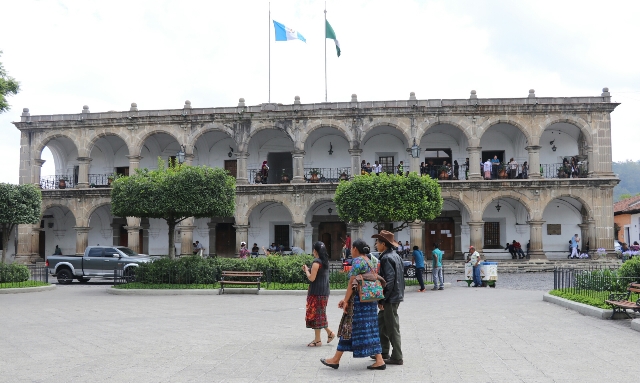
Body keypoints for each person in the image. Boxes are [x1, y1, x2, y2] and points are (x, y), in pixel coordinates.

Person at [320, 239, 386, 370]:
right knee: (369, 329)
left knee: (349, 327)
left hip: (359, 302)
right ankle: (379, 360)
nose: (350, 250)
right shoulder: (371, 260)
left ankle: (335, 359)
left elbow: (351, 282)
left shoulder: (357, 261)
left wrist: (345, 300)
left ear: (355, 248)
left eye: (351, 248)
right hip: (370, 300)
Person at [372, 230, 404, 365]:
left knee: (392, 327)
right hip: (394, 295)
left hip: (390, 298)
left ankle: (397, 356)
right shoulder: (395, 255)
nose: (375, 245)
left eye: (377, 242)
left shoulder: (386, 258)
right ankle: (383, 351)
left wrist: (382, 299)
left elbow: (389, 280)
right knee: (381, 324)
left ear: (383, 244)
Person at [303, 241, 335, 347]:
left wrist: (306, 271)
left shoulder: (316, 262)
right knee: (320, 314)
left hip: (316, 292)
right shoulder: (325, 261)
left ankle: (318, 340)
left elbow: (312, 278)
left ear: (315, 251)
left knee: (317, 315)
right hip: (324, 292)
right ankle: (329, 333)